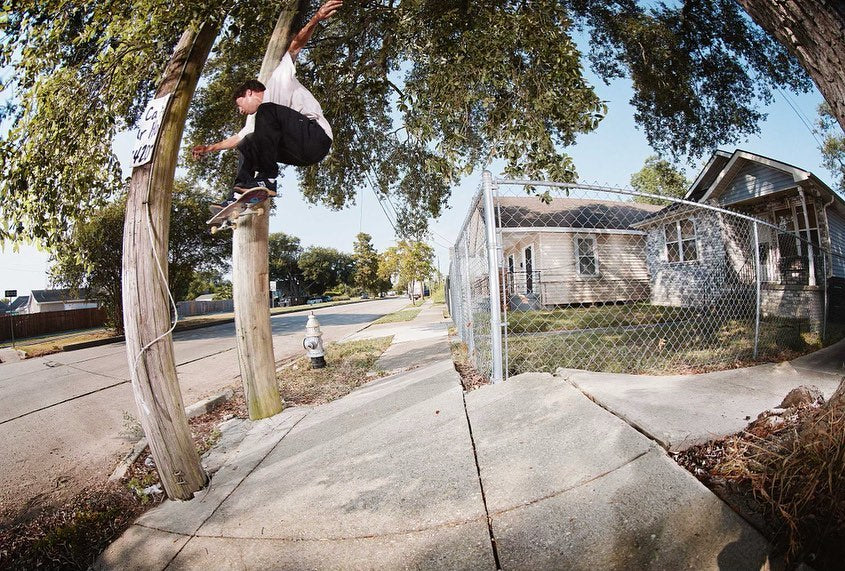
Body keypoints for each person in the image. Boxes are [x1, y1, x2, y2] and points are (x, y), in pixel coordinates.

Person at [193, 0, 342, 210]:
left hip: (316, 139)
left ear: (249, 92)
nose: (240, 110)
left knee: (266, 110)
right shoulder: (259, 120)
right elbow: (236, 138)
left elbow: (295, 47)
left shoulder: (278, 80)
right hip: (299, 153)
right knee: (246, 142)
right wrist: (209, 148)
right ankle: (237, 194)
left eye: (240, 104)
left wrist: (316, 18)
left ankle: (268, 179)